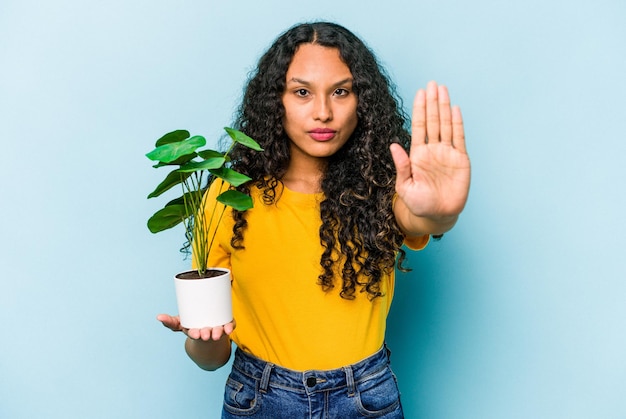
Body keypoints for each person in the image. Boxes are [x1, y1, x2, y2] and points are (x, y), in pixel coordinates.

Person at [157, 21, 470, 418]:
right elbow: (211, 358)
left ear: (362, 101)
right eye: (302, 92)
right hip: (260, 398)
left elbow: (419, 219)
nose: (323, 112)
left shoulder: (383, 186)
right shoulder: (230, 195)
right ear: (276, 101)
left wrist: (440, 212)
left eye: (341, 91)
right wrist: (201, 336)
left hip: (365, 398)